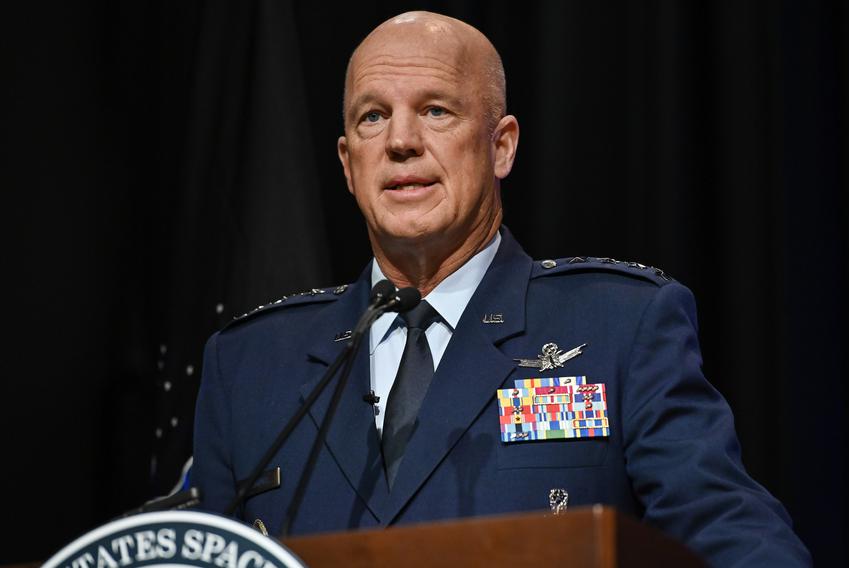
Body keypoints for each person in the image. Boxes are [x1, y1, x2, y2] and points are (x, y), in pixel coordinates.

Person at [193, 11, 811, 566]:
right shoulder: (248, 365)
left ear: (502, 146)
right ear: (349, 162)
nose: (401, 141)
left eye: (436, 110)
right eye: (372, 117)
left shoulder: (620, 326)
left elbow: (736, 540)